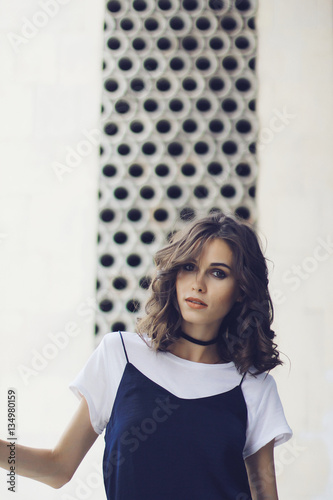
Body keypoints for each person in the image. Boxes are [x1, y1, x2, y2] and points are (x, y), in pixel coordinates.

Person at [0, 212, 292, 499]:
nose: (198, 284)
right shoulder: (120, 355)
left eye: (218, 273)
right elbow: (58, 468)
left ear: (241, 290)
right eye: (189, 267)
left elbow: (264, 495)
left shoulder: (253, 387)